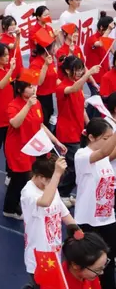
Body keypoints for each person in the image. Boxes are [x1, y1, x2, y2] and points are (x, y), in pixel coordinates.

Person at [3, 74, 65, 219]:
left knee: (27, 178)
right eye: (30, 86)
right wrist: (28, 105)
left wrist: (56, 141)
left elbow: (41, 124)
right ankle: (9, 209)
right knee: (20, 179)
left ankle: (19, 204)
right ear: (20, 90)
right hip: (18, 148)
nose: (34, 88)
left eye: (34, 85)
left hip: (33, 147)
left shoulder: (36, 103)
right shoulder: (13, 105)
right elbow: (15, 123)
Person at [20, 155, 75, 288]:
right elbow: (45, 202)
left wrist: (75, 228)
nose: (55, 183)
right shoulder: (28, 193)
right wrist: (56, 174)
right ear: (40, 176)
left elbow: (62, 209)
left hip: (54, 250)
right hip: (39, 255)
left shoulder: (50, 186)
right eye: (52, 180)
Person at [74, 118, 116, 289]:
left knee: (109, 261)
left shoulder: (105, 156)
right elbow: (104, 152)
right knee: (88, 264)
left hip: (107, 218)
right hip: (88, 219)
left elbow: (109, 152)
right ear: (91, 137)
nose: (109, 142)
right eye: (106, 138)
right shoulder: (82, 155)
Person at [56, 56, 100, 207]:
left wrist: (90, 125)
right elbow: (72, 89)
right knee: (75, 167)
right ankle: (61, 193)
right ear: (67, 70)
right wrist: (89, 74)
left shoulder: (79, 87)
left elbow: (81, 109)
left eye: (82, 69)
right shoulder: (62, 87)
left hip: (78, 131)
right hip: (67, 133)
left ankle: (64, 193)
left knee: (75, 166)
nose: (81, 72)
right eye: (78, 69)